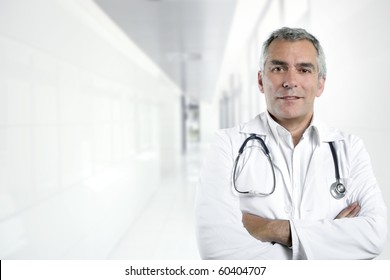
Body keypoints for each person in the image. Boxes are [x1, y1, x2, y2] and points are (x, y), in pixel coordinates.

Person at [195, 27, 387, 259]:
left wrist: (270, 228)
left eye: (304, 69)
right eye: (278, 68)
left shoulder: (349, 148)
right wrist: (325, 241)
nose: (290, 81)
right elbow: (216, 250)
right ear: (260, 80)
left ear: (320, 84)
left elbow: (374, 235)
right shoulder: (226, 145)